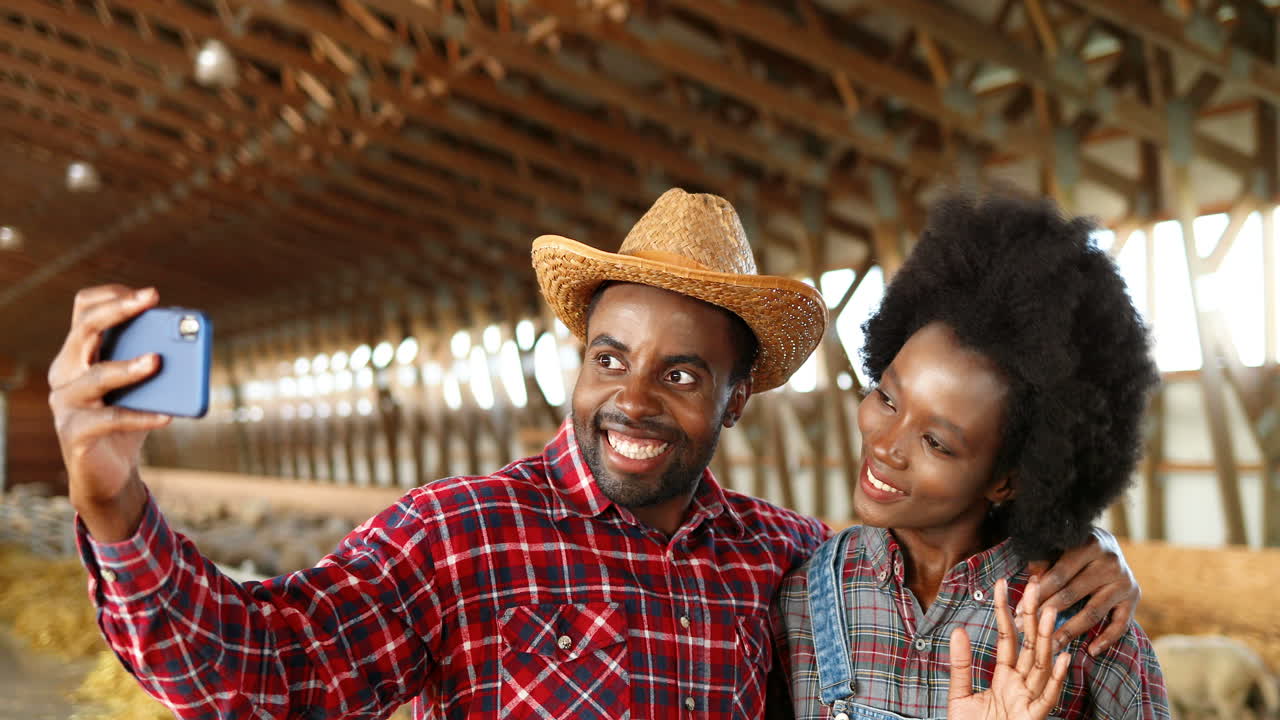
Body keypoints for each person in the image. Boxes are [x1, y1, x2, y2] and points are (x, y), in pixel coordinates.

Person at [49, 188, 1139, 720]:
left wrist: (1086, 551)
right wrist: (110, 502)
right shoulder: (456, 533)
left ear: (734, 400)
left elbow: (952, 553)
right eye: (608, 357)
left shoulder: (792, 567)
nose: (631, 397)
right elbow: (253, 673)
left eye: (679, 374)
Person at [775, 191, 1170, 720]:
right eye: (888, 398)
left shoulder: (1085, 632)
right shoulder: (805, 595)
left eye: (936, 442)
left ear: (1010, 478)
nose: (886, 445)